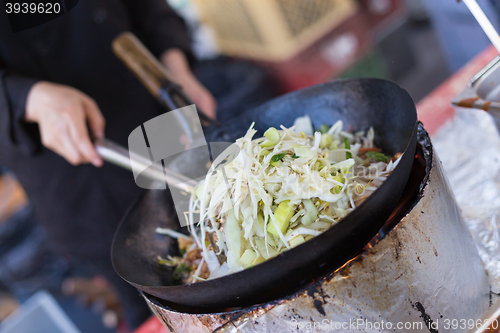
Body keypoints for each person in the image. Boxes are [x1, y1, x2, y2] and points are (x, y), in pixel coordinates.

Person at [0, 0, 216, 329]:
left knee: (219, 236)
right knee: (153, 298)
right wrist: (28, 98)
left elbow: (148, 8)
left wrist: (176, 67)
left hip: (159, 117)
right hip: (77, 173)